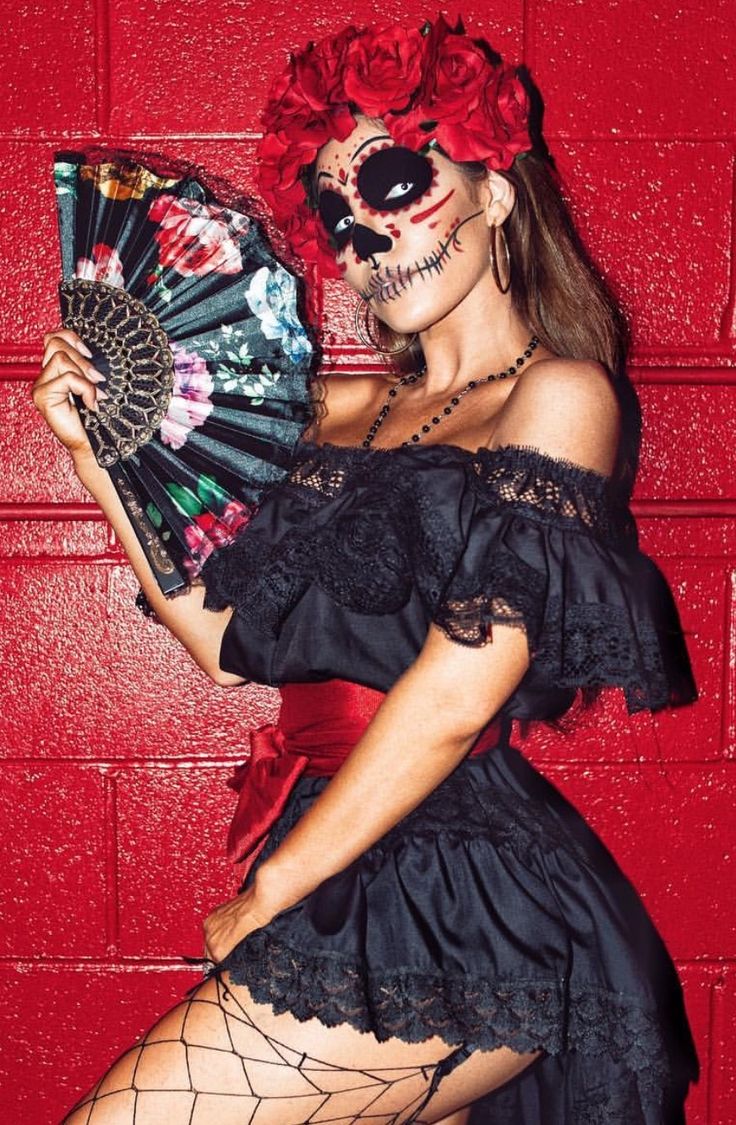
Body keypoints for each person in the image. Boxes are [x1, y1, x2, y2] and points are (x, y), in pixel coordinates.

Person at [33, 15, 700, 1124]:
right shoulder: (326, 415)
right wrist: (97, 456)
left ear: (494, 189)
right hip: (337, 859)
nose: (364, 238)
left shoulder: (560, 395)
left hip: (461, 888)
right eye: (337, 215)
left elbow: (456, 692)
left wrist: (276, 891)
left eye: (393, 181)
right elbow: (219, 645)